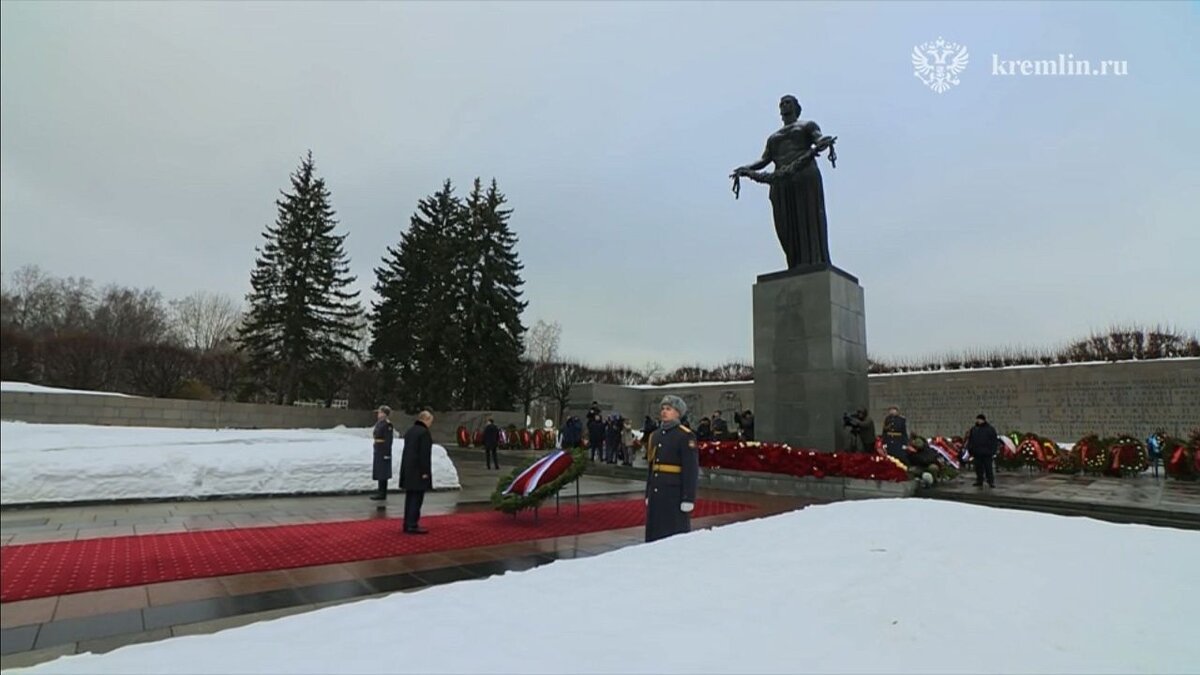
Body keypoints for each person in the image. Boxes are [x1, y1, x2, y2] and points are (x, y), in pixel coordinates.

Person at [645, 395, 699, 543]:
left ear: (678, 413)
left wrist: (688, 498)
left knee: (673, 534)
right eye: (663, 408)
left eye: (669, 409)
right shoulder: (655, 435)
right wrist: (648, 492)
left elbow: (691, 470)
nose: (664, 412)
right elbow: (652, 467)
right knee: (654, 533)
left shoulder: (685, 436)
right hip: (657, 492)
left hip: (674, 493)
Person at [399, 410, 435, 534]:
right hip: (418, 471)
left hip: (408, 470)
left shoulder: (411, 431)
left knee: (409, 498)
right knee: (417, 498)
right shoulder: (424, 433)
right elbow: (424, 454)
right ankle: (412, 524)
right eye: (431, 421)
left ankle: (407, 523)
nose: (431, 424)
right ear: (426, 419)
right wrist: (425, 471)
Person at [966, 413, 999, 488]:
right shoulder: (974, 429)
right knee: (978, 468)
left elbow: (994, 441)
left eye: (980, 419)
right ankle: (979, 481)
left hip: (987, 453)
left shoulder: (990, 429)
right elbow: (971, 440)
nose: (978, 421)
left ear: (983, 420)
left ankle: (990, 481)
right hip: (977, 452)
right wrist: (970, 449)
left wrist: (993, 451)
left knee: (988, 468)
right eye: (977, 419)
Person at [370, 406, 394, 501]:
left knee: (383, 472)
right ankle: (380, 491)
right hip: (378, 450)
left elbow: (388, 440)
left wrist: (387, 453)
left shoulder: (387, 425)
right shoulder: (379, 423)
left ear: (384, 414)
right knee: (380, 471)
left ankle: (382, 493)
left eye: (380, 412)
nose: (378, 414)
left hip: (383, 450)